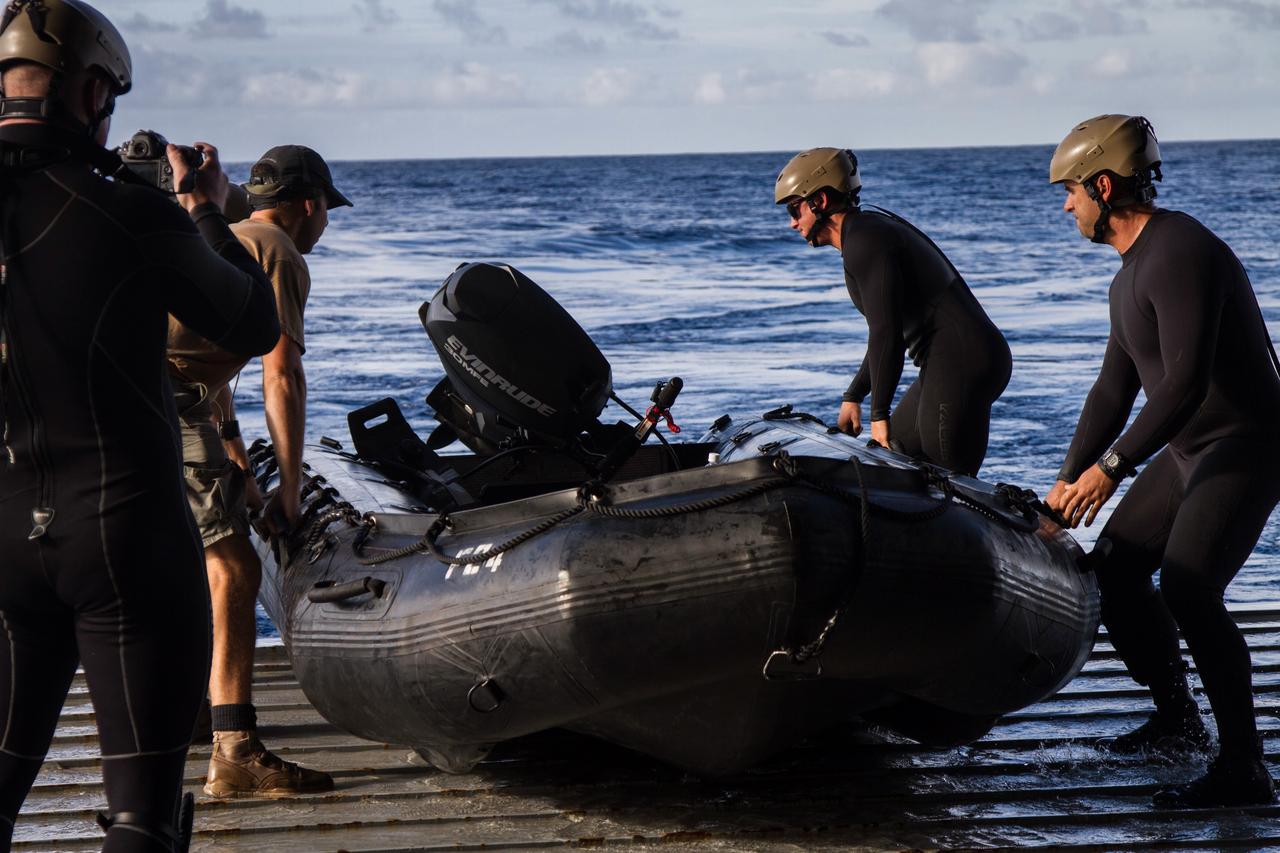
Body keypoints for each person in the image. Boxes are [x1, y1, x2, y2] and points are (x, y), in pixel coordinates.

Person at [0, 0, 280, 849]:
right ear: (89, 93)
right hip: (125, 536)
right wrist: (205, 207)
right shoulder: (131, 210)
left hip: (3, 538)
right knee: (141, 819)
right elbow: (251, 324)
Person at [1044, 114, 1280, 808]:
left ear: (1104, 184)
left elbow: (1181, 384)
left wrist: (1110, 469)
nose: (1066, 205)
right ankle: (1178, 717)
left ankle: (1245, 768)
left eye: (1071, 192)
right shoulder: (1130, 276)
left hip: (1248, 443)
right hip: (1188, 450)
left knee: (1188, 586)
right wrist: (1065, 480)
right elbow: (1114, 388)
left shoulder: (1180, 252)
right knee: (1114, 568)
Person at [167, 144, 350, 798]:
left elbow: (207, 363)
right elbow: (282, 374)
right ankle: (236, 750)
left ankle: (191, 709)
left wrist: (242, 468)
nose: (326, 222)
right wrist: (291, 490)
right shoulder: (280, 252)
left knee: (191, 555)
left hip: (149, 392)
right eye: (328, 209)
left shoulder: (232, 236)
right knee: (236, 566)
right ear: (310, 205)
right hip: (163, 397)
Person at [775, 148, 1011, 476]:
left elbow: (887, 334)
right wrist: (854, 395)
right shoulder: (862, 234)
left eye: (794, 209)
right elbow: (888, 333)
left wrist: (879, 416)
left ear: (821, 201)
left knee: (951, 485)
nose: (792, 223)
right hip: (958, 359)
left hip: (962, 360)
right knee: (900, 456)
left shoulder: (865, 241)